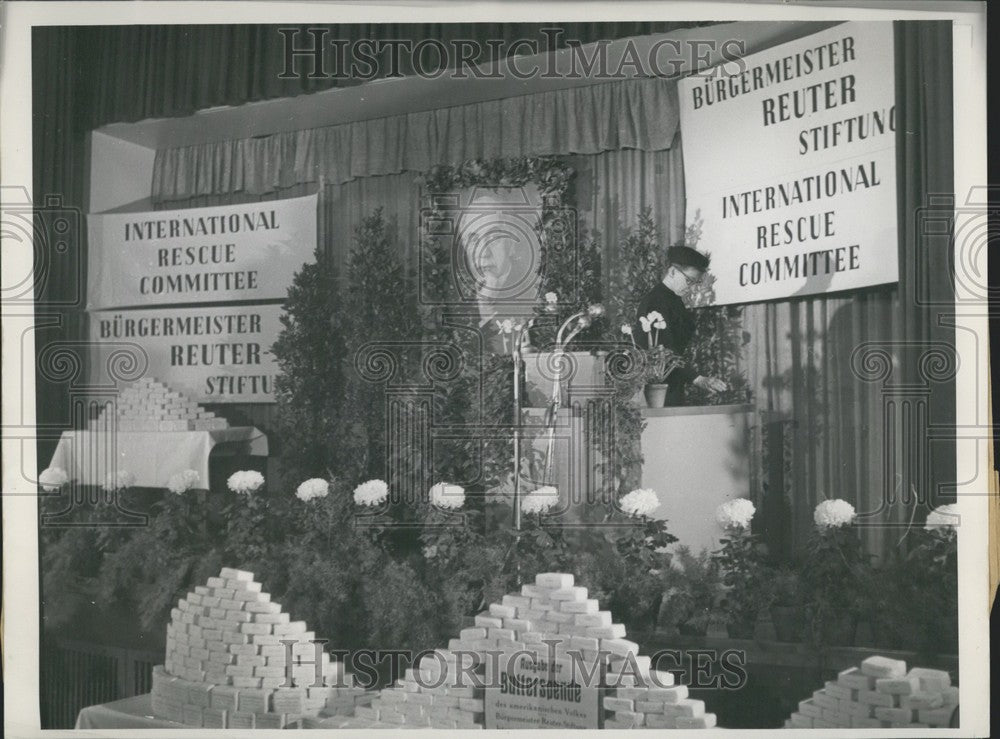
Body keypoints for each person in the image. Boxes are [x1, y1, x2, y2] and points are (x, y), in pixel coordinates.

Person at [635, 244, 727, 399]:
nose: (691, 288)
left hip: (671, 383)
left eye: (695, 283)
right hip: (658, 389)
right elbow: (663, 349)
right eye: (689, 281)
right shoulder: (658, 300)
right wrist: (697, 378)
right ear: (672, 271)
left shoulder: (672, 299)